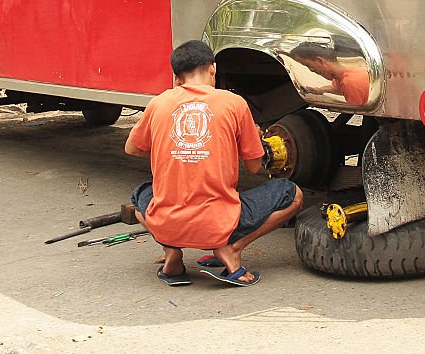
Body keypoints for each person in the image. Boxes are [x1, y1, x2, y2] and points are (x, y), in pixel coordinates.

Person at [125, 40, 303, 287]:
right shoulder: (234, 104)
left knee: (139, 197)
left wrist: (173, 151)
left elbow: (132, 148)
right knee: (292, 194)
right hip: (221, 224)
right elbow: (254, 166)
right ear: (213, 70)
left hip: (168, 224)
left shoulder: (158, 103)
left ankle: (172, 256)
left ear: (177, 79)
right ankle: (231, 249)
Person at [289, 42, 371, 105]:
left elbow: (356, 110)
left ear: (319, 61)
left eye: (309, 65)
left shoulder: (349, 82)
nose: (311, 70)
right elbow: (338, 88)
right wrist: (320, 90)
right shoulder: (344, 75)